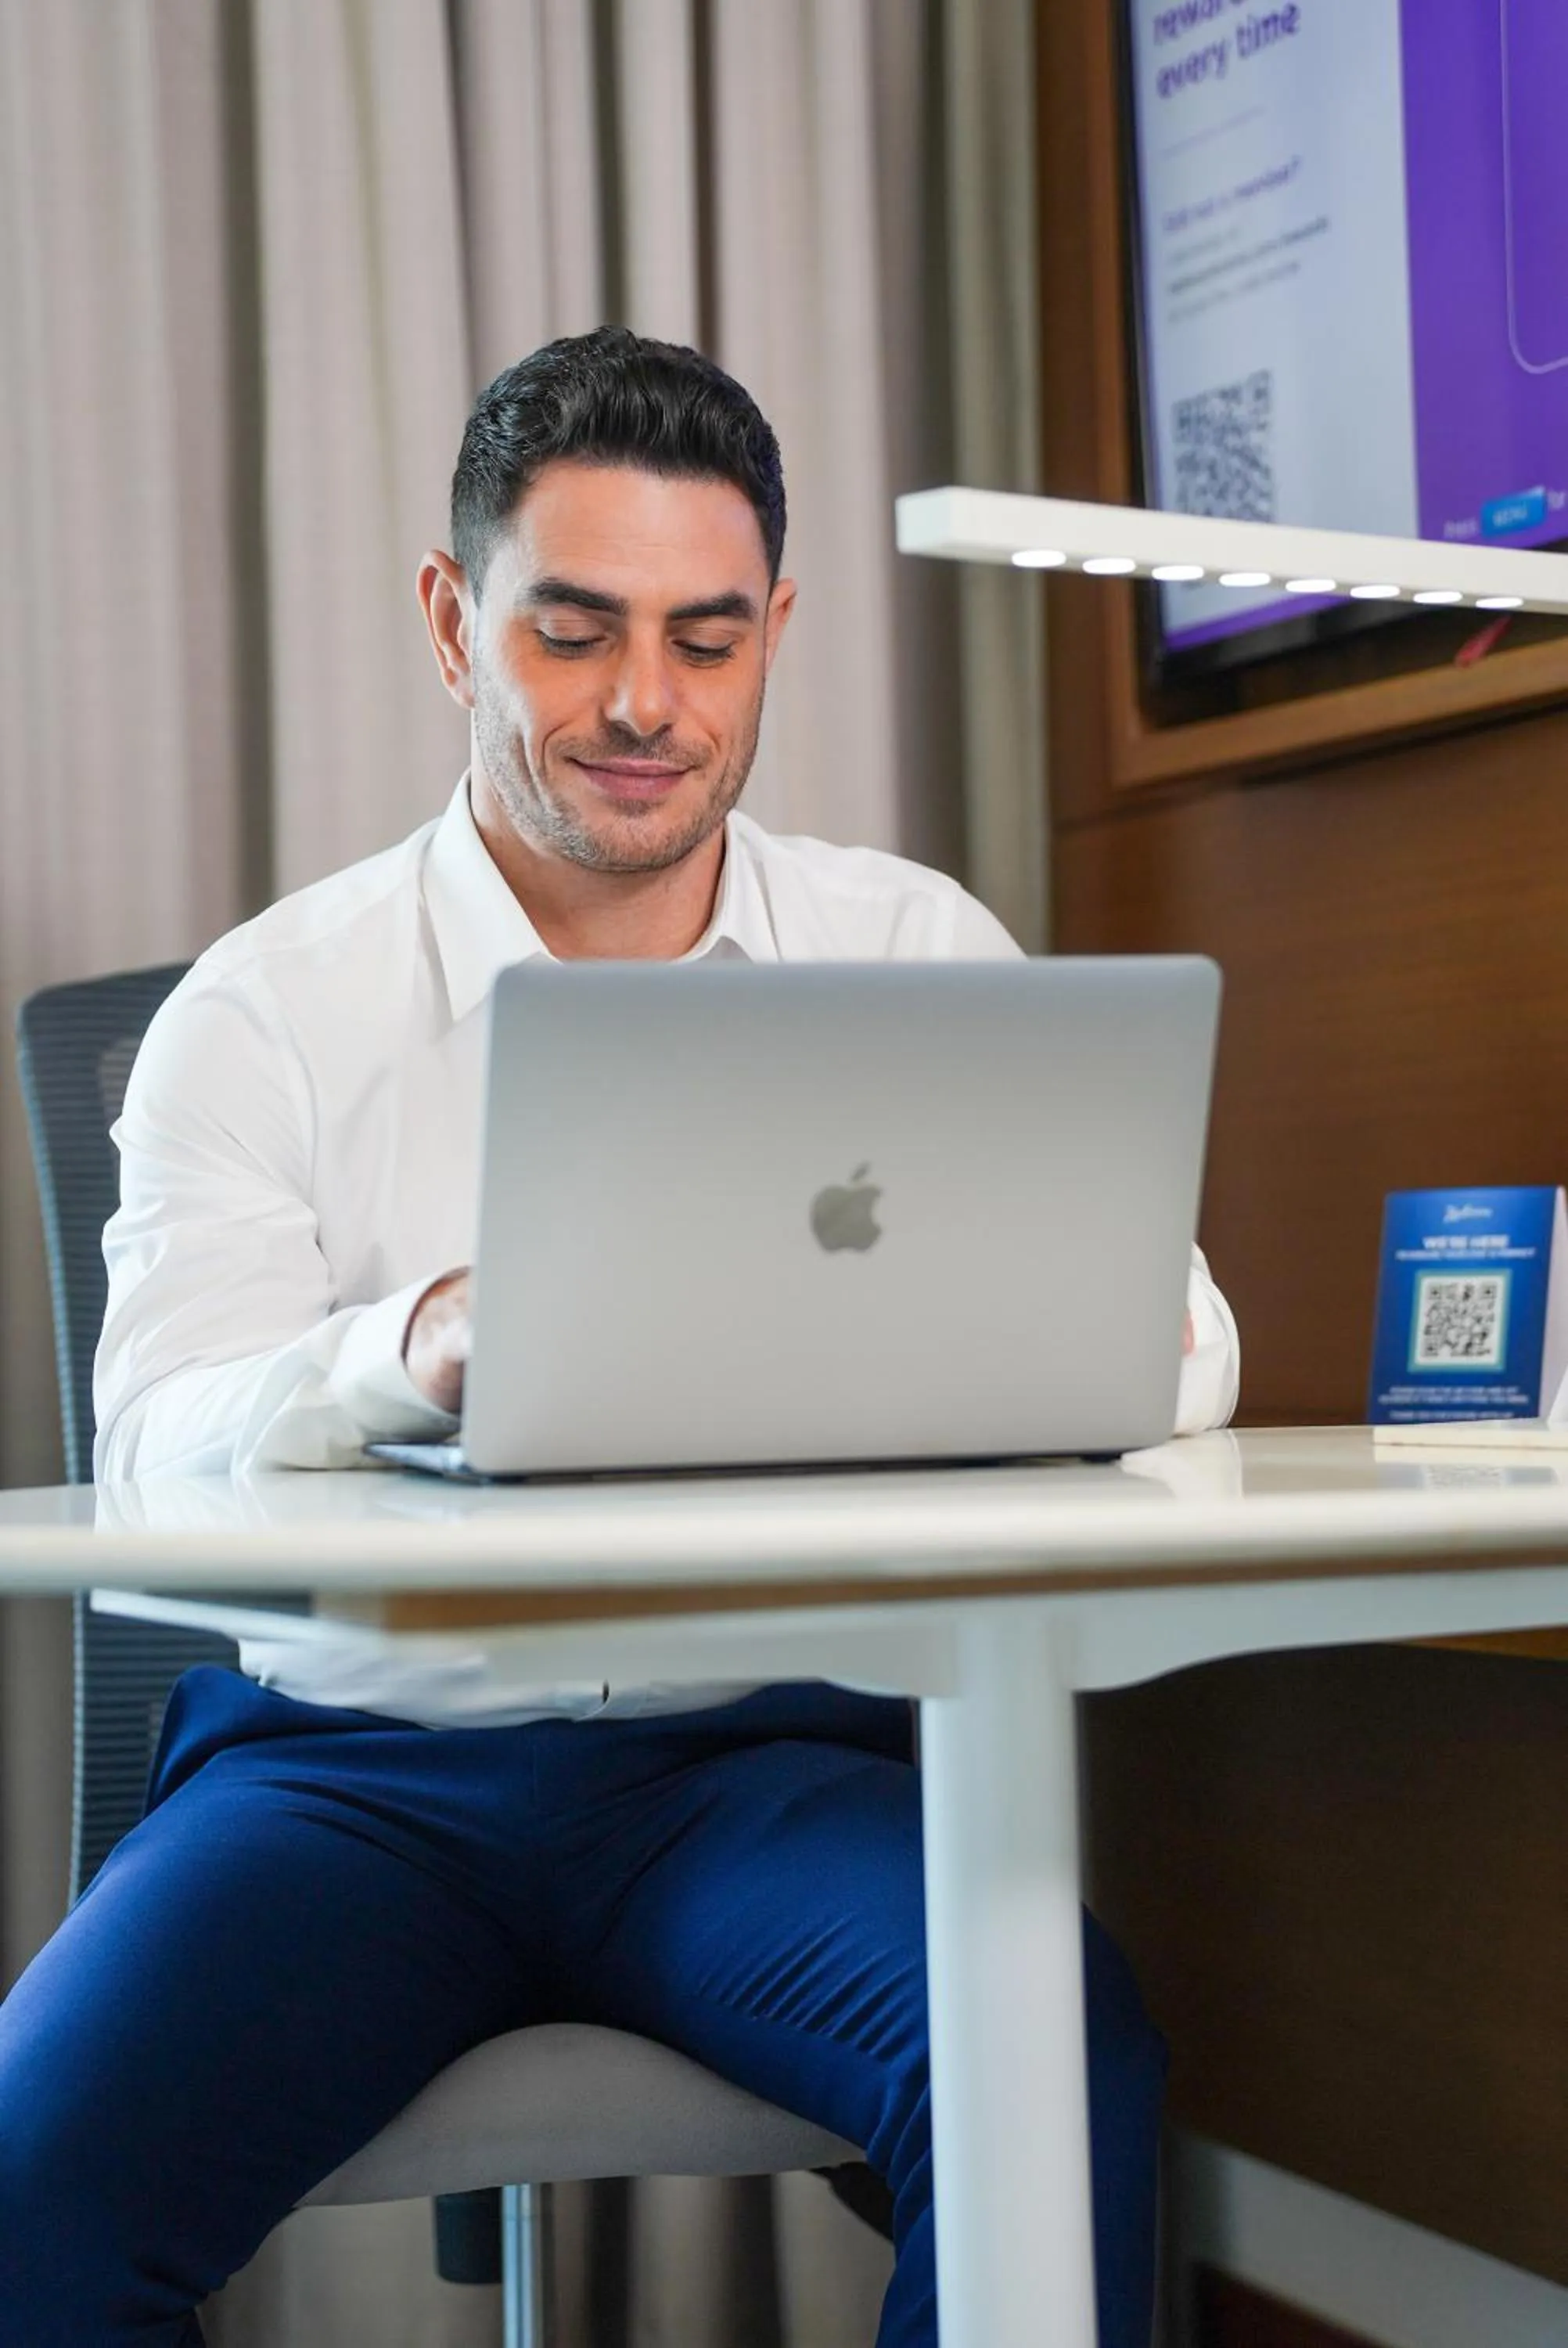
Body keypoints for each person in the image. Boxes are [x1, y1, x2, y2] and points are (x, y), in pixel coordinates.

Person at [0, 329, 1239, 2348]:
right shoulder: (263, 1005)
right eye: (573, 632)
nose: (646, 705)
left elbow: (1179, 1342)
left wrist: (912, 1346)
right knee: (21, 2193)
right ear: (450, 620)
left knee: (1059, 2075)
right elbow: (150, 1461)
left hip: (767, 1760)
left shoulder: (913, 950)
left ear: (777, 638)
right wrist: (422, 1345)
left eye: (709, 638)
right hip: (350, 1779)